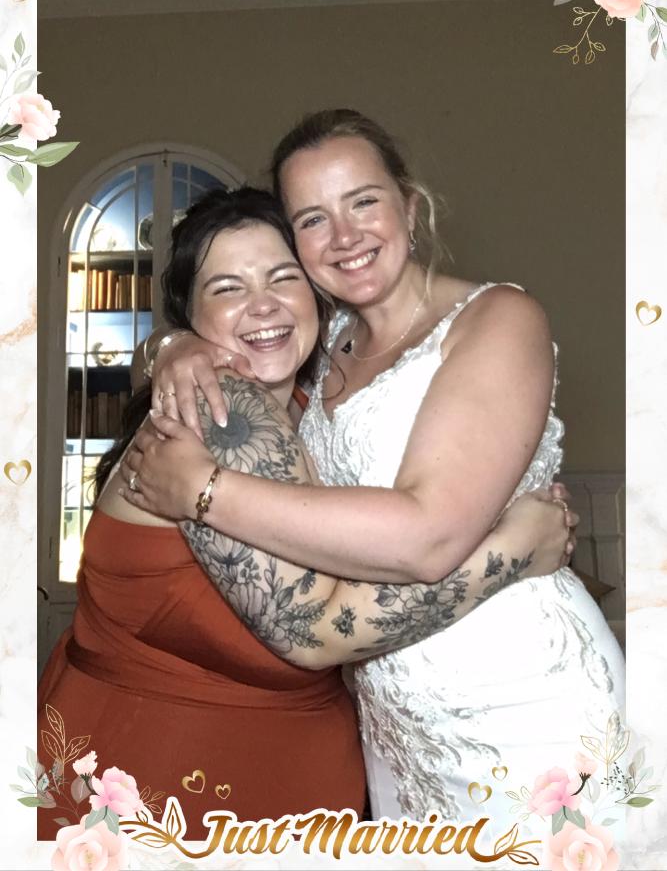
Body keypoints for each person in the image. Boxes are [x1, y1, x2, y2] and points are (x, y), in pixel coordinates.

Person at [120, 109, 624, 825]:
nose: (344, 236)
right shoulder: (318, 348)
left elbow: (427, 535)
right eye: (313, 219)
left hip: (525, 701)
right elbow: (233, 329)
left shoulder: (498, 319)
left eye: (363, 201)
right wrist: (174, 345)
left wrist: (202, 490)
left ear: (410, 207)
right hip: (392, 725)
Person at [38, 186, 572, 839]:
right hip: (168, 788)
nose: (263, 304)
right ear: (192, 314)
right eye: (227, 288)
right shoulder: (222, 408)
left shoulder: (308, 403)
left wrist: (166, 345)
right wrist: (516, 548)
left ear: (318, 294)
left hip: (283, 786)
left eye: (282, 277)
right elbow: (316, 632)